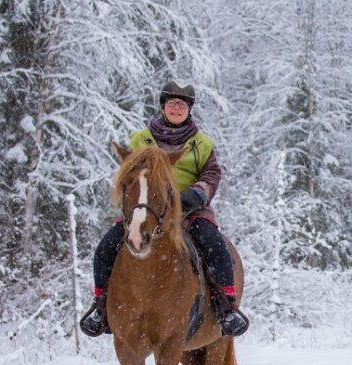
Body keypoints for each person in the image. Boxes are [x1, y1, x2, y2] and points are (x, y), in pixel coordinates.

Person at [80, 80, 248, 338]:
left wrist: (197, 193)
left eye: (182, 104)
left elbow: (212, 173)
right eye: (172, 103)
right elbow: (130, 172)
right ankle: (101, 308)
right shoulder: (141, 138)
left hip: (189, 211)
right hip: (148, 209)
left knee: (215, 245)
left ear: (189, 110)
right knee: (106, 247)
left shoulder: (202, 143)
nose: (177, 108)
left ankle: (226, 308)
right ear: (163, 106)